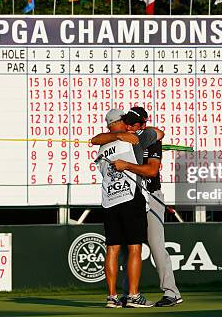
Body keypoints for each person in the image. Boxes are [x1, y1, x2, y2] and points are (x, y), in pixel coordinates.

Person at [91, 108, 163, 308]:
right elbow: (158, 133)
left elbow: (95, 139)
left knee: (112, 249)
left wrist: (116, 134)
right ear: (121, 121)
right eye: (125, 120)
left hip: (109, 200)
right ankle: (133, 295)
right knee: (134, 248)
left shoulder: (102, 146)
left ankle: (112, 297)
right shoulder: (134, 138)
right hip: (131, 197)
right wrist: (129, 134)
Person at [115, 107, 183, 307]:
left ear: (142, 125)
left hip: (151, 196)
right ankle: (129, 293)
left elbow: (152, 171)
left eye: (133, 124)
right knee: (130, 247)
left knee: (155, 245)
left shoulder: (151, 139)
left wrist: (127, 166)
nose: (129, 126)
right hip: (130, 197)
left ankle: (172, 292)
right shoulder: (124, 138)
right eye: (127, 122)